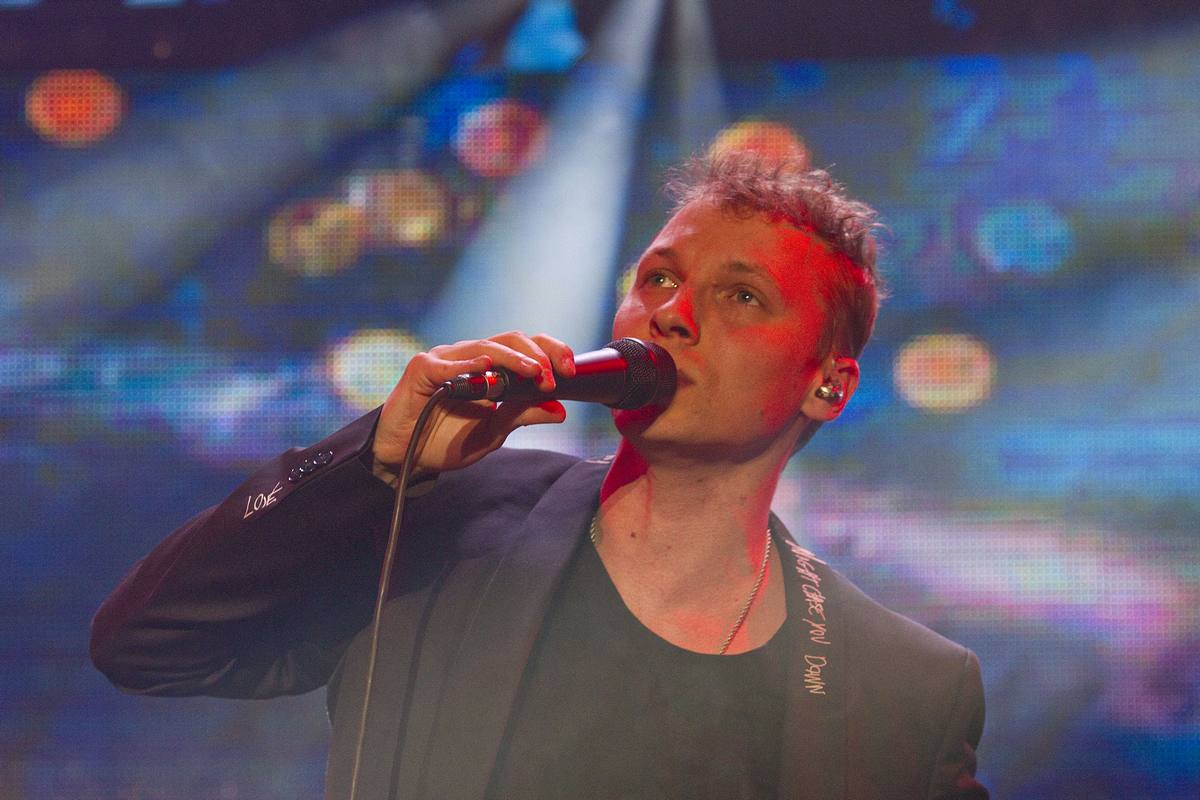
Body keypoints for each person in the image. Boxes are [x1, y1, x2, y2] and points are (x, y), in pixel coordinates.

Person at [91, 151, 988, 799]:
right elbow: (147, 645)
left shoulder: (902, 688)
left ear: (829, 384)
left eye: (741, 295)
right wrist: (375, 462)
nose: (672, 313)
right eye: (658, 279)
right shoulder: (442, 523)